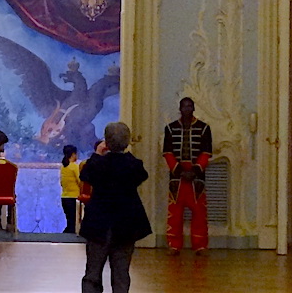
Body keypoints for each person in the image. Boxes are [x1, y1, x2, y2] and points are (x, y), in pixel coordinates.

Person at [79, 121, 151, 293]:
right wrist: (124, 152)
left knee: (92, 273)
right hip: (126, 225)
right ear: (127, 142)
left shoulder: (98, 164)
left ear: (106, 142)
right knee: (121, 274)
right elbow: (142, 174)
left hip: (98, 224)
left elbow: (85, 175)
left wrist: (97, 154)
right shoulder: (133, 165)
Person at [161, 96, 212, 253]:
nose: (187, 109)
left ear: (194, 108)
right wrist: (179, 171)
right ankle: (174, 245)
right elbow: (167, 153)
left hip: (196, 176)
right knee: (175, 214)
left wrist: (195, 170)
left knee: (199, 213)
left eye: (190, 106)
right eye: (184, 106)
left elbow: (206, 153)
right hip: (177, 176)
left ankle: (200, 245)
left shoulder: (204, 128)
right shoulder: (170, 129)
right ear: (180, 109)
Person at [60, 144, 81, 233]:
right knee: (74, 224)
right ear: (73, 154)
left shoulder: (63, 167)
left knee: (70, 222)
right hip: (74, 198)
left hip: (64, 197)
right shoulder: (75, 166)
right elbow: (80, 181)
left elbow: (61, 183)